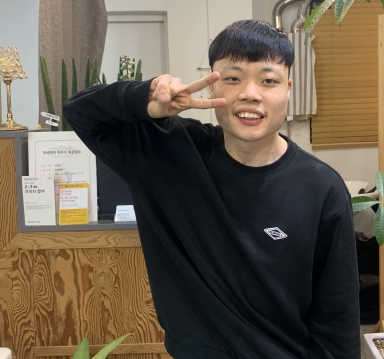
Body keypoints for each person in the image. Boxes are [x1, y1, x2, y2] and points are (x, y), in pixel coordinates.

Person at [63, 20, 360, 358]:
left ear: (288, 88)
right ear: (211, 86)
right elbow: (80, 113)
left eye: (268, 80)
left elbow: (337, 319)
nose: (250, 93)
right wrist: (143, 98)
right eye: (233, 79)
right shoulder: (167, 152)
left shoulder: (322, 188)